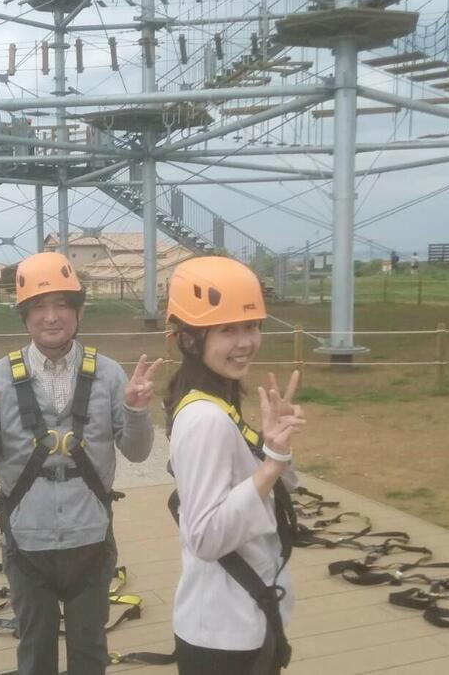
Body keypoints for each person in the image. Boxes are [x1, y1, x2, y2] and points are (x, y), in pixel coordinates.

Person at [0, 251, 162, 675]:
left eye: (63, 305)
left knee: (90, 653)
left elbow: (137, 452)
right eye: (39, 307)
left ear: (79, 311)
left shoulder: (107, 375)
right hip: (27, 544)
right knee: (35, 654)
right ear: (24, 317)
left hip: (91, 542)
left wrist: (137, 412)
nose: (51, 317)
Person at [163, 256, 305, 675]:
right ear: (189, 340)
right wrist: (269, 465)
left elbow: (275, 485)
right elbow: (205, 537)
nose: (245, 342)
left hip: (241, 619)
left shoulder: (218, 402)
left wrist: (272, 447)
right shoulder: (205, 419)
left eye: (251, 326)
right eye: (228, 330)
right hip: (224, 636)